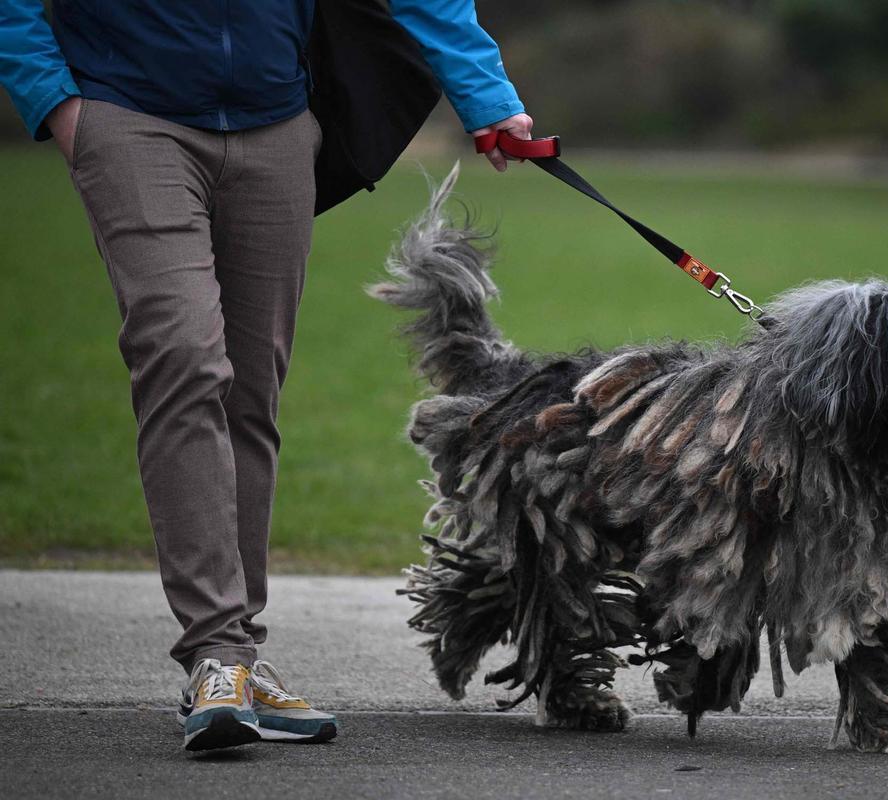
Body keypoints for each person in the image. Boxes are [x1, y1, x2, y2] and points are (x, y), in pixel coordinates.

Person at [0, 0, 532, 752]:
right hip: (127, 116)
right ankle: (215, 653)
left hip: (278, 125)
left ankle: (239, 663)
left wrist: (488, 99)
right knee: (184, 359)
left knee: (251, 393)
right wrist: (53, 101)